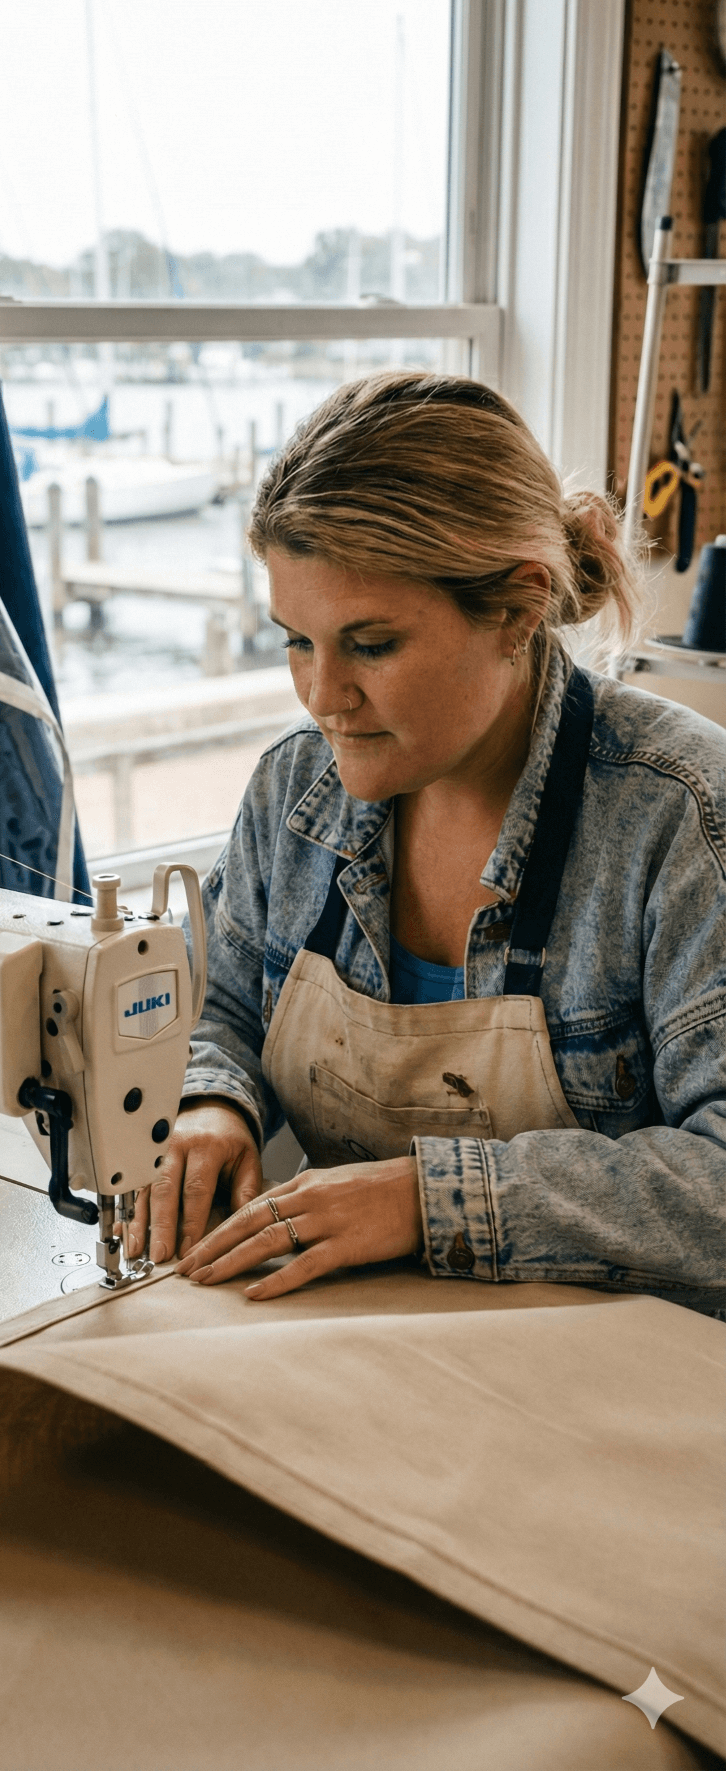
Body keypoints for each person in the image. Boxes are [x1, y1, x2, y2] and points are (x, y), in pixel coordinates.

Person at [126, 372, 725, 1312]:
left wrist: (425, 1201)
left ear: (520, 609)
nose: (323, 697)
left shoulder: (681, 816)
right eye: (295, 641)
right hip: (366, 1353)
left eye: (370, 646)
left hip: (621, 1393)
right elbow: (226, 1006)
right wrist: (214, 1100)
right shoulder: (295, 791)